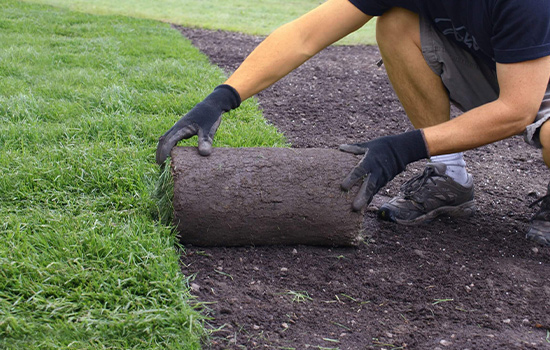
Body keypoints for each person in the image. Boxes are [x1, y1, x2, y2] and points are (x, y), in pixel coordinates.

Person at [156, 0, 550, 247]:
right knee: (395, 23)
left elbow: (517, 109)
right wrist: (222, 98)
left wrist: (403, 148)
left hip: (533, 84)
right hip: (502, 67)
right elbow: (305, 34)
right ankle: (450, 177)